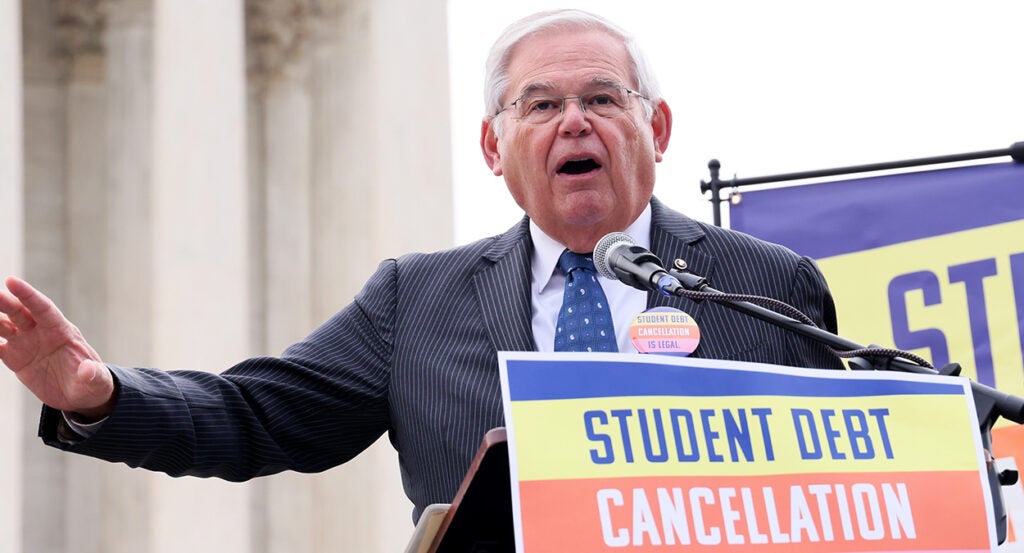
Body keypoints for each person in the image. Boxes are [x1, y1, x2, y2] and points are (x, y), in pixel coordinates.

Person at [0, 9, 843, 522]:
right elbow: (257, 415)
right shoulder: (418, 299)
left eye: (601, 98)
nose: (574, 122)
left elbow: (838, 487)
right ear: (493, 147)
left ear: (655, 130)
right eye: (541, 105)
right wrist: (101, 395)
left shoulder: (766, 287)